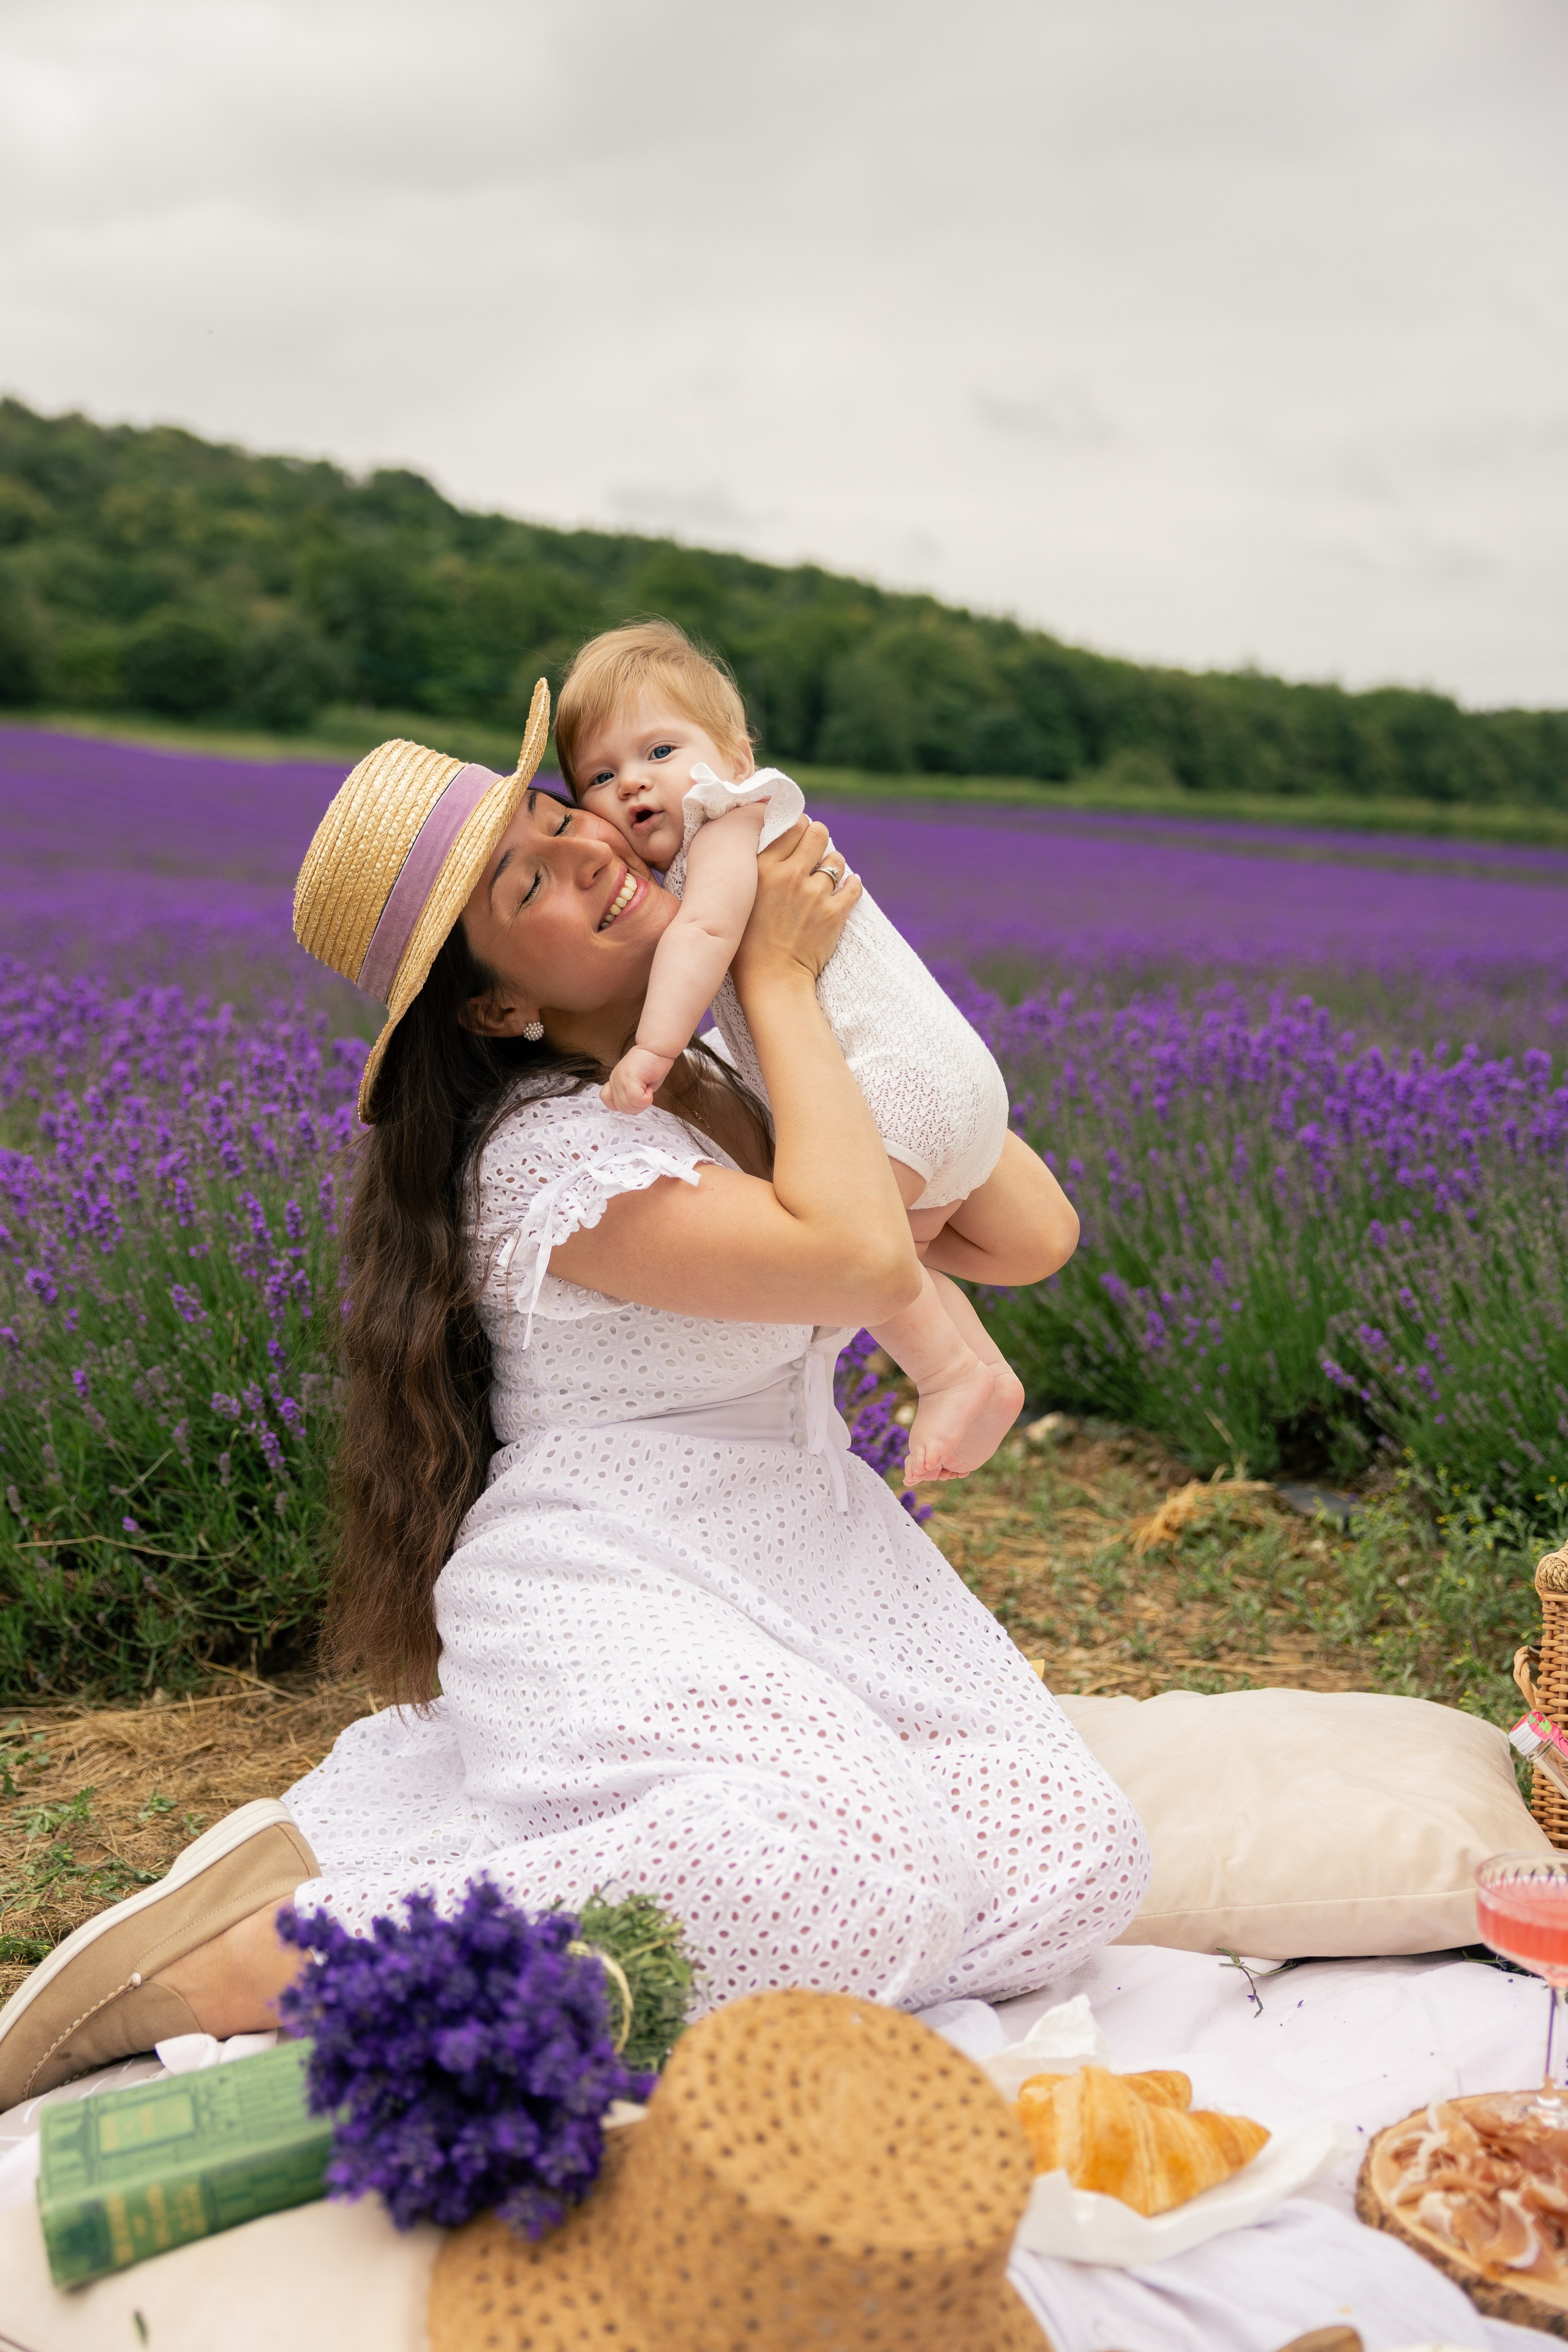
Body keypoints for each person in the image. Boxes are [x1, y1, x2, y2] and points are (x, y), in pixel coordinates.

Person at [0, 679, 1148, 2106]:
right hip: (612, 1563)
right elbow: (858, 1261)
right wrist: (778, 978)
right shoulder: (547, 1158)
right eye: (528, 882)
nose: (597, 853)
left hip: (804, 1548)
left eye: (564, 820)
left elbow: (1024, 1230)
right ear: (495, 998)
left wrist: (833, 962)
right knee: (854, 1861)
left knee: (1073, 1850)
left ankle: (508, 1861)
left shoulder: (724, 1068)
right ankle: (275, 1957)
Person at [562, 618, 1023, 1487]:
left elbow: (705, 930)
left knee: (861, 1263)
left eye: (660, 749)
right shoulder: (714, 827)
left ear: (738, 756)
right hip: (941, 1078)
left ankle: (951, 1374)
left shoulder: (726, 821)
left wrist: (654, 1050)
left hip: (896, 1083)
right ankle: (986, 1371)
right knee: (905, 1264)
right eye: (600, 774)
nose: (633, 783)